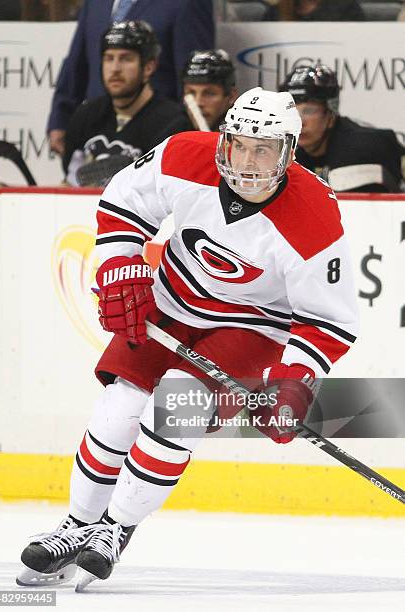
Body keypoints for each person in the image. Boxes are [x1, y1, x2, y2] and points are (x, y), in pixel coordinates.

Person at [18, 87, 359, 590]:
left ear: (289, 152)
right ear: (225, 139)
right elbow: (124, 197)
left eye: (263, 149)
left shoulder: (313, 217)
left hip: (251, 325)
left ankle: (116, 528)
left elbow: (330, 320)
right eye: (239, 144)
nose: (247, 161)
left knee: (176, 406)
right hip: (171, 299)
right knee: (118, 409)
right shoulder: (186, 153)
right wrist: (120, 265)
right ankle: (76, 526)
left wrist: (293, 380)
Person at [47, 0, 214, 156]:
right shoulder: (95, 3)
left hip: (157, 139)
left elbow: (195, 78)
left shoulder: (188, 3)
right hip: (96, 132)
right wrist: (60, 119)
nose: (115, 67)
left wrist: (183, 139)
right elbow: (77, 61)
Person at [63, 21, 191, 187]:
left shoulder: (173, 124)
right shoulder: (85, 115)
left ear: (148, 67)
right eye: (109, 58)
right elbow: (70, 181)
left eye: (126, 59)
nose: (115, 68)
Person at [279, 64, 404, 192]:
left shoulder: (363, 148)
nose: (299, 122)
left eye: (309, 111)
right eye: (292, 110)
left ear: (331, 116)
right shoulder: (286, 152)